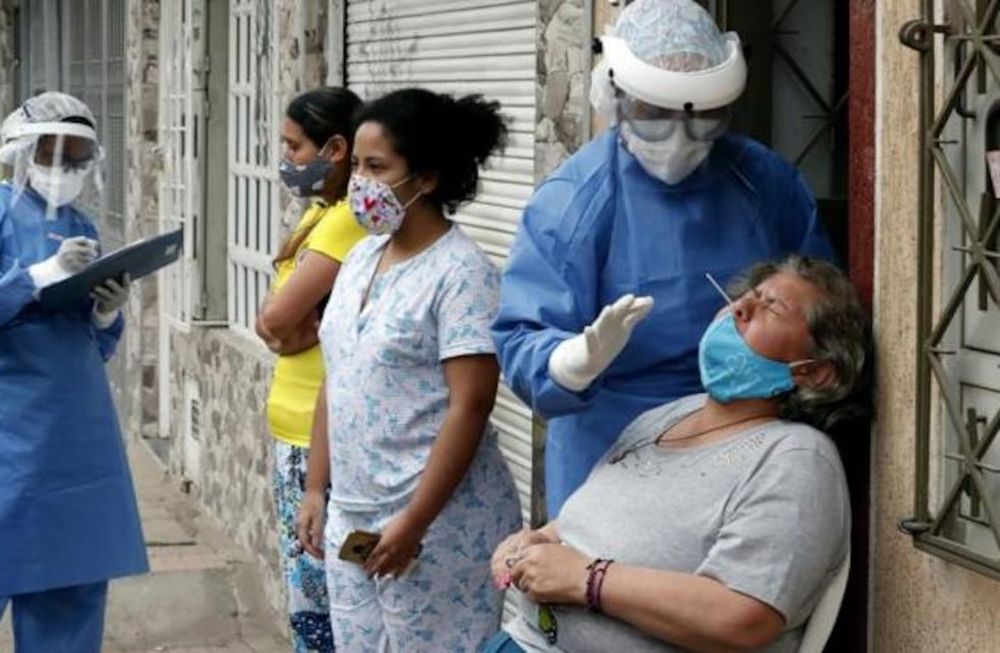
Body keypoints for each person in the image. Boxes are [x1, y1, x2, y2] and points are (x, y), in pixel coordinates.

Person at [492, 0, 836, 516]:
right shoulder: (574, 200)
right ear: (615, 94)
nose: (680, 136)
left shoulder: (763, 181)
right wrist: (570, 361)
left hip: (747, 434)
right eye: (655, 116)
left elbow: (824, 302)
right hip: (612, 447)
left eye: (703, 118)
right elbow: (522, 338)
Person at [483, 255, 868, 653]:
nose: (739, 308)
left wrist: (588, 580)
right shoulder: (667, 416)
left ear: (816, 372)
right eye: (744, 298)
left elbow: (742, 619)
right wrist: (533, 541)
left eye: (770, 307)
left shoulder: (796, 458)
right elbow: (592, 519)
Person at [294, 88, 521, 651]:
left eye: (378, 167)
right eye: (357, 168)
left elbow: (470, 406)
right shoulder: (360, 260)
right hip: (354, 514)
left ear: (426, 178)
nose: (360, 184)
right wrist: (317, 488)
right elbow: (337, 377)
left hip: (438, 527)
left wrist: (415, 521)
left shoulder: (461, 274)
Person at [0, 92, 147, 651]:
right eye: (54, 154)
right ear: (22, 151)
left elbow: (94, 344)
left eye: (79, 157)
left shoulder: (82, 226)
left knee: (70, 588)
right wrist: (34, 276)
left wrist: (105, 310)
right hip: (11, 432)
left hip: (77, 440)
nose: (66, 169)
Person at [255, 87, 366, 653]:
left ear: (337, 147)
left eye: (294, 146)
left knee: (322, 603)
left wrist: (288, 327)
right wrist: (287, 328)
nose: (286, 159)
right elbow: (274, 328)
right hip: (292, 431)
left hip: (316, 439)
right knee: (306, 602)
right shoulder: (318, 212)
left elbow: (277, 317)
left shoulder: (346, 220)